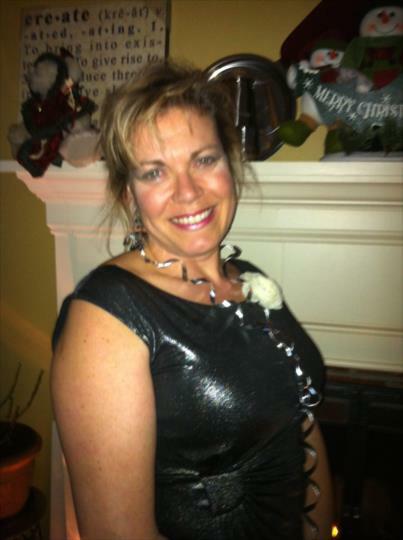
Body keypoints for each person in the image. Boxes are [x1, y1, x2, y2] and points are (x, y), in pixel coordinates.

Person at [51, 60, 334, 540]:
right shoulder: (104, 318)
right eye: (154, 172)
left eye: (204, 160)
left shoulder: (249, 279)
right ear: (128, 195)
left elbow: (301, 425)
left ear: (230, 165)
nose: (188, 191)